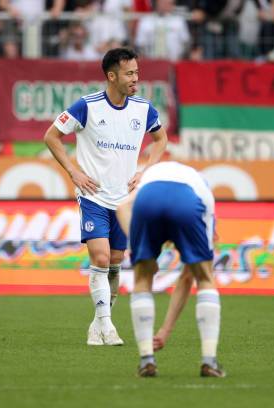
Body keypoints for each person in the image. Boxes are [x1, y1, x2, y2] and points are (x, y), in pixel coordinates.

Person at [44, 47, 167, 346]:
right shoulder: (87, 106)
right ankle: (108, 327)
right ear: (111, 76)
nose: (135, 78)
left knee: (114, 261)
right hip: (93, 196)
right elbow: (51, 136)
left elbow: (161, 139)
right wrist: (74, 173)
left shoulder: (144, 109)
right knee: (99, 257)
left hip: (124, 200)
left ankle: (97, 324)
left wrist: (145, 170)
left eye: (137, 72)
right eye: (129, 73)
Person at [116, 161, 225, 378]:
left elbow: (121, 207)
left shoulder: (150, 176)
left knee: (142, 277)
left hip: (149, 197)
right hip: (186, 200)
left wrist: (138, 249)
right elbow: (187, 278)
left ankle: (146, 359)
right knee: (204, 277)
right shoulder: (204, 196)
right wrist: (166, 330)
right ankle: (209, 361)